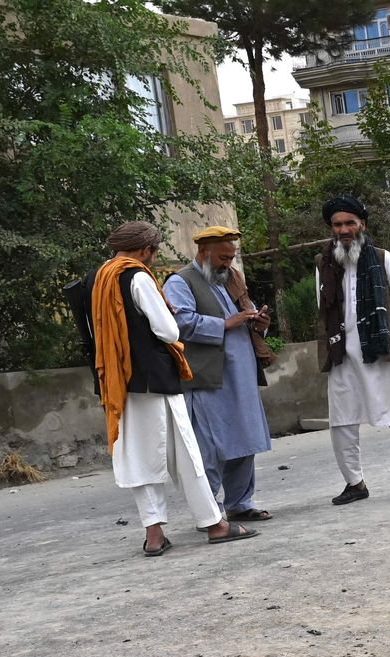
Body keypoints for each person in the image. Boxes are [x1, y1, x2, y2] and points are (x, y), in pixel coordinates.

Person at [66, 221, 257, 555]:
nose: (152, 259)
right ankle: (215, 524)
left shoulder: (96, 279)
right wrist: (165, 311)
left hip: (119, 381)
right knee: (186, 453)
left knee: (140, 458)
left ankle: (154, 536)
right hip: (156, 380)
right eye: (153, 252)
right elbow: (169, 331)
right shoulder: (136, 276)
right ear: (145, 250)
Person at [316, 195, 390, 506]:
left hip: (381, 351)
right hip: (342, 355)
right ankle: (355, 482)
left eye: (350, 223)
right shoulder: (322, 264)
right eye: (337, 224)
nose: (344, 229)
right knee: (342, 420)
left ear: (362, 224)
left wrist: (382, 330)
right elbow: (322, 307)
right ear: (331, 228)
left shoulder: (382, 257)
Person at [164, 226, 274, 523]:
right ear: (203, 253)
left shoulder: (232, 279)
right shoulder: (180, 281)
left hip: (241, 373)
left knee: (244, 439)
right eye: (223, 258)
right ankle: (211, 511)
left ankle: (240, 503)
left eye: (231, 257)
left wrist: (258, 323)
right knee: (210, 445)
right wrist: (225, 324)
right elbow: (179, 322)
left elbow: (244, 315)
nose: (228, 263)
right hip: (207, 377)